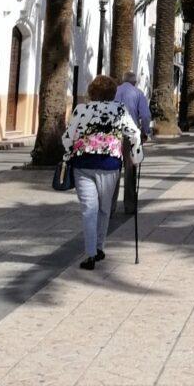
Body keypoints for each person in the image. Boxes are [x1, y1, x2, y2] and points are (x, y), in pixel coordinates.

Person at [62, 75, 143, 271]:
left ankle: (91, 254)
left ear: (92, 92)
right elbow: (135, 134)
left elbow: (67, 138)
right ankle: (98, 247)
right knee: (104, 209)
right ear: (112, 93)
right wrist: (136, 155)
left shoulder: (81, 110)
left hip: (83, 164)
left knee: (89, 209)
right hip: (110, 165)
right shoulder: (119, 110)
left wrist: (70, 150)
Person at [114, 70, 152, 215]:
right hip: (131, 136)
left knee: (114, 171)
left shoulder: (114, 91)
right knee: (130, 171)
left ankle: (110, 207)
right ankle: (129, 206)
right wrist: (145, 131)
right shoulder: (138, 93)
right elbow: (146, 115)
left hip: (115, 136)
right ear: (134, 82)